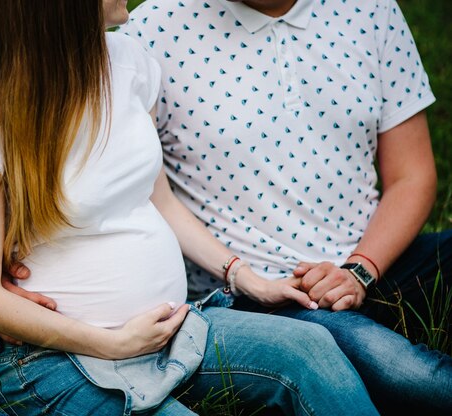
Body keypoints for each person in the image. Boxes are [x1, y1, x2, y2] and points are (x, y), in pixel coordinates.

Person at [0, 1, 380, 415]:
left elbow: (158, 201)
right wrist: (112, 343)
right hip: (60, 360)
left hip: (175, 329)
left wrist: (247, 279)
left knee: (311, 350)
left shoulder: (128, 62)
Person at [112, 0, 452, 414]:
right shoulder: (149, 29)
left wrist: (360, 269)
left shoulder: (371, 9)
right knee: (417, 377)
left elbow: (412, 176)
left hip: (377, 256)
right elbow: (101, 175)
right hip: (263, 296)